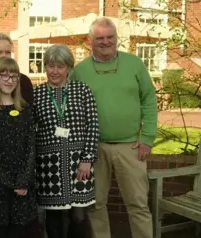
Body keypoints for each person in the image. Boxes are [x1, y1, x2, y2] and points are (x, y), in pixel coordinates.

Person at [72, 17, 157, 238]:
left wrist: (147, 137)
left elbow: (149, 99)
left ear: (116, 38)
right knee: (96, 204)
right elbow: (71, 108)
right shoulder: (80, 71)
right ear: (90, 40)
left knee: (138, 204)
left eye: (110, 37)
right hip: (94, 149)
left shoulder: (134, 64)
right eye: (99, 38)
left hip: (131, 146)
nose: (105, 41)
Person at [33, 44, 99, 238]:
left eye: (60, 66)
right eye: (50, 66)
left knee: (79, 217)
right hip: (49, 167)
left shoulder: (82, 90)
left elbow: (93, 125)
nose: (55, 71)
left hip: (79, 165)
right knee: (52, 219)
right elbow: (30, 130)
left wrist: (87, 159)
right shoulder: (37, 94)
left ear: (69, 68)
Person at [0, 57, 38, 238]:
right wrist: (7, 181)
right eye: (4, 75)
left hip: (22, 187)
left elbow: (30, 148)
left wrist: (23, 180)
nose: (9, 80)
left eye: (14, 76)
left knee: (18, 232)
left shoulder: (25, 109)